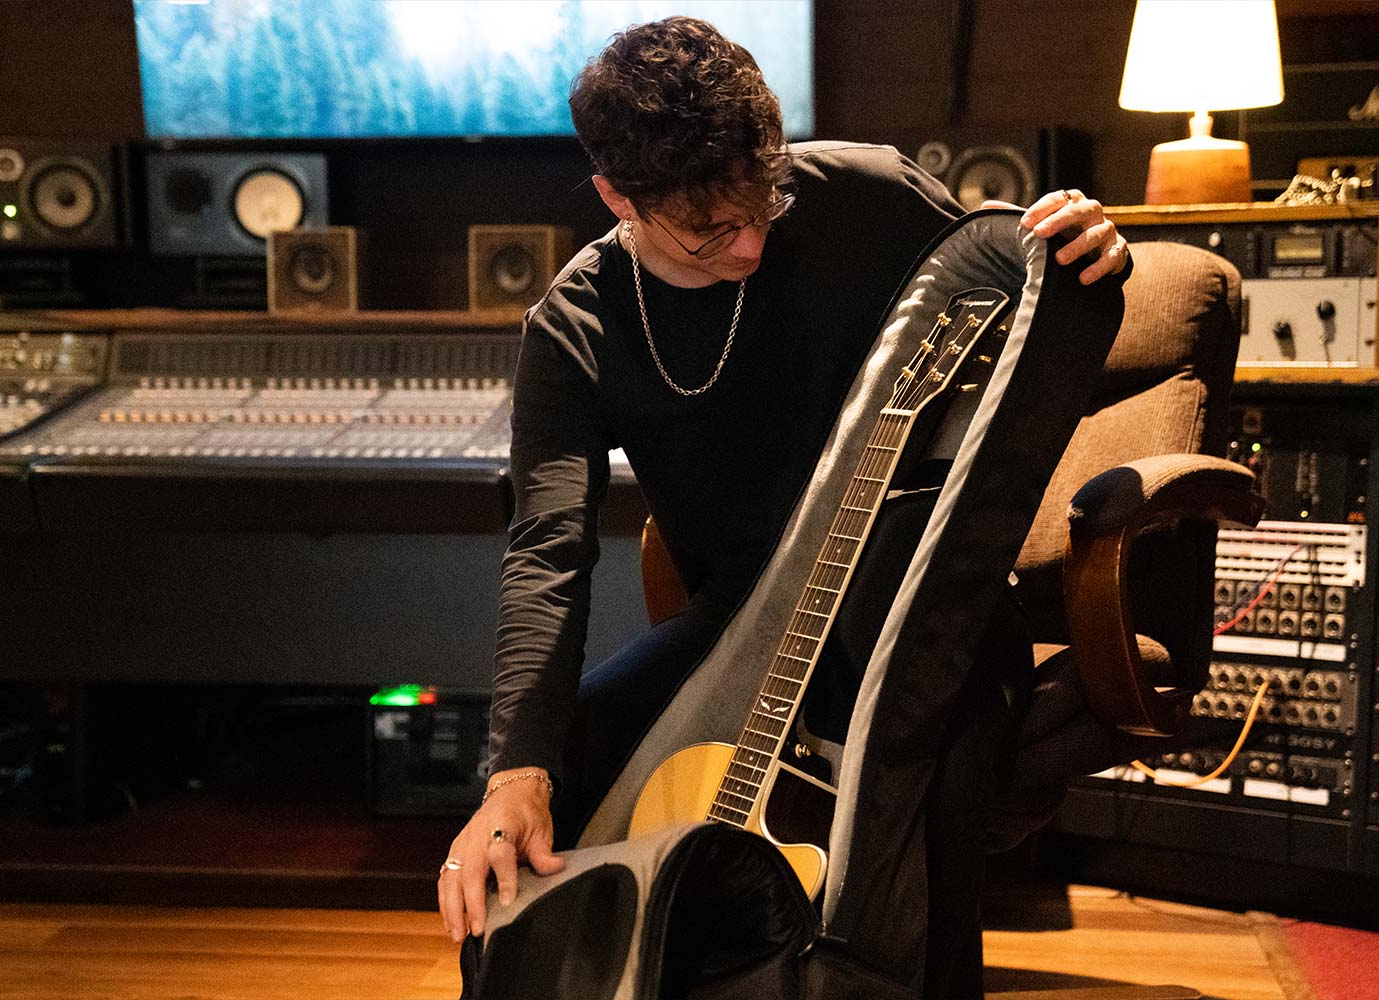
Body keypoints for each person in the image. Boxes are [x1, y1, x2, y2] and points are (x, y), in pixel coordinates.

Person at [437, 13, 1128, 989]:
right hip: (737, 632)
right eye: (711, 227)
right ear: (617, 197)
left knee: (918, 811)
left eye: (763, 200)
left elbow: (1013, 296)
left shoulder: (868, 192)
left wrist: (1085, 242)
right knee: (568, 761)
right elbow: (546, 556)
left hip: (926, 611)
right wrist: (517, 775)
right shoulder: (574, 329)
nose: (753, 242)